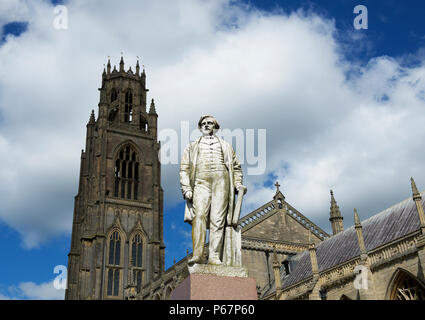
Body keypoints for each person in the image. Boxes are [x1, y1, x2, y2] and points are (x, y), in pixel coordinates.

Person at [180, 115, 246, 265]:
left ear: (215, 126)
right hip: (200, 181)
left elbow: (236, 168)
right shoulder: (191, 146)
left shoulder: (226, 145)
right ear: (199, 127)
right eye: (203, 123)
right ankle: (198, 254)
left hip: (221, 181)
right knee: (199, 216)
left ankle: (214, 256)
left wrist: (237, 184)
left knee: (218, 219)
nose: (206, 125)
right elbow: (184, 169)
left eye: (210, 123)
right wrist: (186, 189)